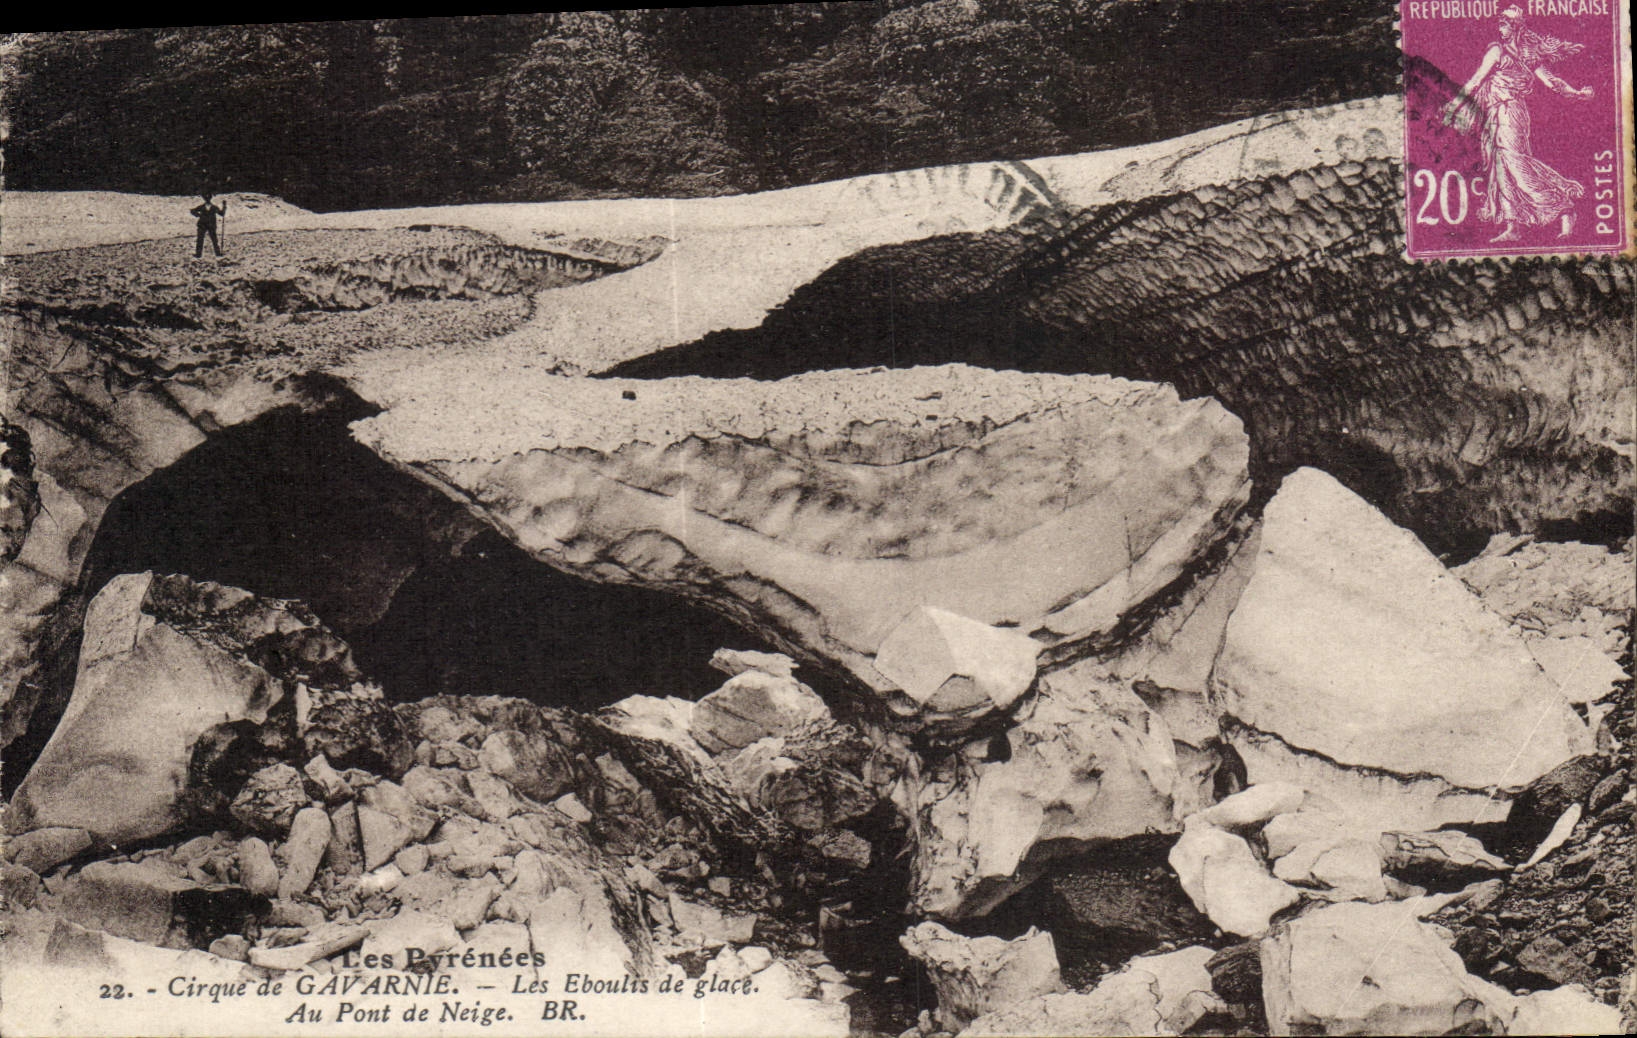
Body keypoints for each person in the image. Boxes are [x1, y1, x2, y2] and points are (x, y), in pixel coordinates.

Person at [1440, 6, 1594, 243]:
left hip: (1512, 112)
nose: (1500, 27)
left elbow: (1552, 81)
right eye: (1500, 23)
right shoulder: (1496, 51)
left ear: (1516, 27)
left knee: (1515, 162)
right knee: (1501, 167)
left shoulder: (1525, 55)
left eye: (1505, 23)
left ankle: (1563, 206)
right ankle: (1514, 226)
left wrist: (1576, 93)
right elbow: (1475, 82)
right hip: (1495, 113)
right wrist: (1454, 106)